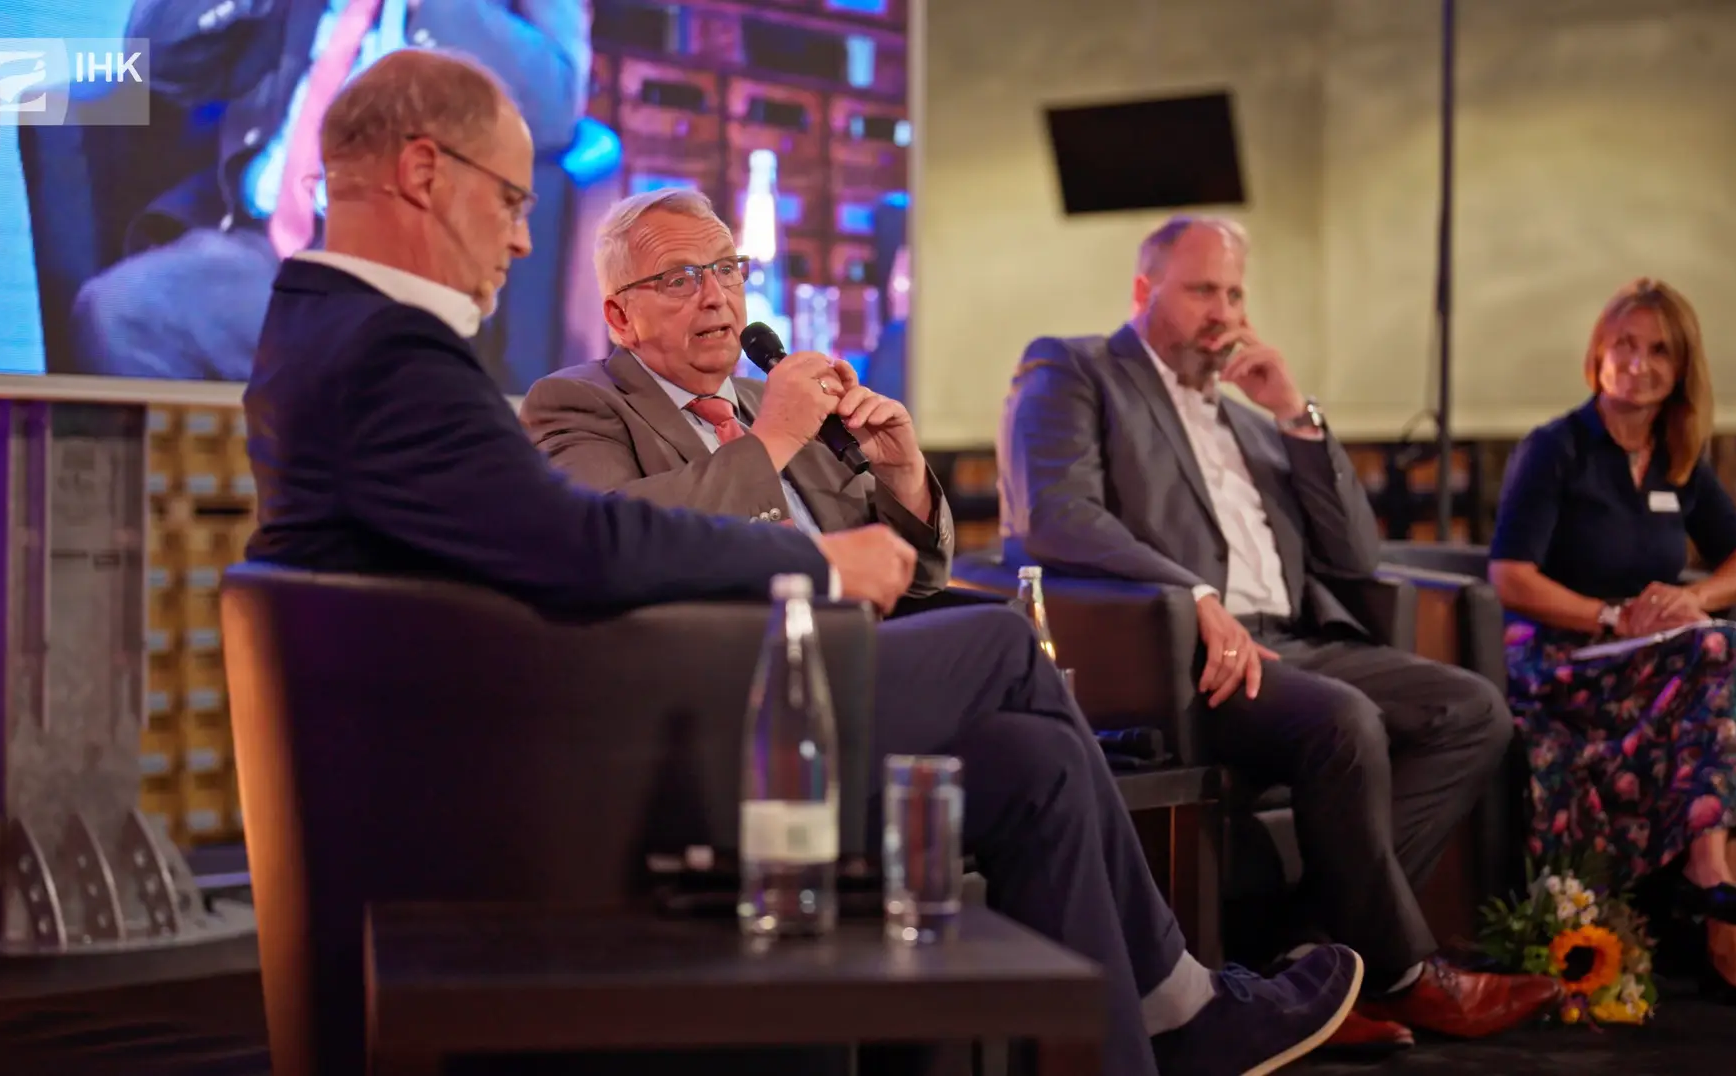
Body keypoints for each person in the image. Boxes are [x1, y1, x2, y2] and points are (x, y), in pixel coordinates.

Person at [243, 49, 1363, 1076]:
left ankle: (1133, 1047)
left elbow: (898, 567)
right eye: (512, 199)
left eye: (727, 271)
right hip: (637, 732)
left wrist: (906, 481)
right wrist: (816, 549)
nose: (522, 237)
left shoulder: (338, 338)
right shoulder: (440, 365)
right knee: (997, 640)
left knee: (1035, 760)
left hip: (717, 693)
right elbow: (582, 542)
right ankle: (1187, 1001)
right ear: (426, 172)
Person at [998, 214, 1565, 1051]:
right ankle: (1407, 976)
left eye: (1233, 293)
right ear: (1144, 291)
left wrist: (1296, 415)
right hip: (1183, 652)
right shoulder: (1077, 368)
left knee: (1474, 710)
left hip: (1297, 637)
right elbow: (1055, 515)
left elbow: (1354, 556)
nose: (1222, 312)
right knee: (1342, 720)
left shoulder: (1257, 423)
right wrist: (1188, 592)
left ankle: (1312, 961)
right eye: (1201, 291)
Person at [1488, 278, 1736, 1014]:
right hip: (1561, 662)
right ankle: (1718, 908)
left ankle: (1711, 899)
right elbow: (1509, 576)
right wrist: (1610, 617)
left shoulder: (1676, 458)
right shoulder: (1557, 448)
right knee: (1717, 655)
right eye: (1624, 344)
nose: (1639, 362)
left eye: (1659, 349)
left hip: (1646, 666)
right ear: (1598, 353)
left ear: (1682, 366)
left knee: (1713, 646)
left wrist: (1692, 597)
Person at [68, 0, 593, 387]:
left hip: (413, 268)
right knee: (122, 312)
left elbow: (554, 101)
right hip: (262, 248)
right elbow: (158, 58)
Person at [518, 188, 951, 598]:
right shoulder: (576, 402)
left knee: (999, 627)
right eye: (679, 279)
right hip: (728, 660)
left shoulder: (776, 401)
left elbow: (919, 577)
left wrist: (903, 473)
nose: (715, 297)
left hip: (859, 640)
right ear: (620, 318)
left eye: (727, 270)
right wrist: (772, 441)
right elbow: (601, 546)